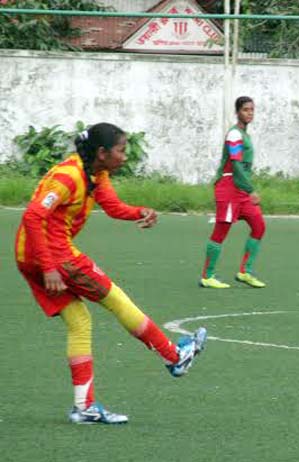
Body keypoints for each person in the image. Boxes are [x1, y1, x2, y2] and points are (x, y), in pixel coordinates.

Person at [15, 123, 207, 425]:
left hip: (30, 256)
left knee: (79, 321)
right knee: (116, 299)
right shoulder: (69, 176)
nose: (124, 157)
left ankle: (84, 407)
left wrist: (139, 211)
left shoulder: (96, 174)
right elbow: (33, 215)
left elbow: (114, 207)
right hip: (52, 255)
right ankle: (174, 357)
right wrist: (50, 266)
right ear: (102, 153)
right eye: (120, 150)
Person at [200, 96, 266, 289]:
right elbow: (236, 165)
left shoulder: (246, 135)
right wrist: (251, 189)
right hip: (229, 189)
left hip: (241, 191)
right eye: (246, 110)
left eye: (252, 109)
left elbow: (242, 168)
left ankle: (245, 272)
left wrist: (246, 190)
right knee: (221, 232)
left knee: (259, 226)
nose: (250, 113)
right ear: (237, 112)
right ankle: (207, 276)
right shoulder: (234, 135)